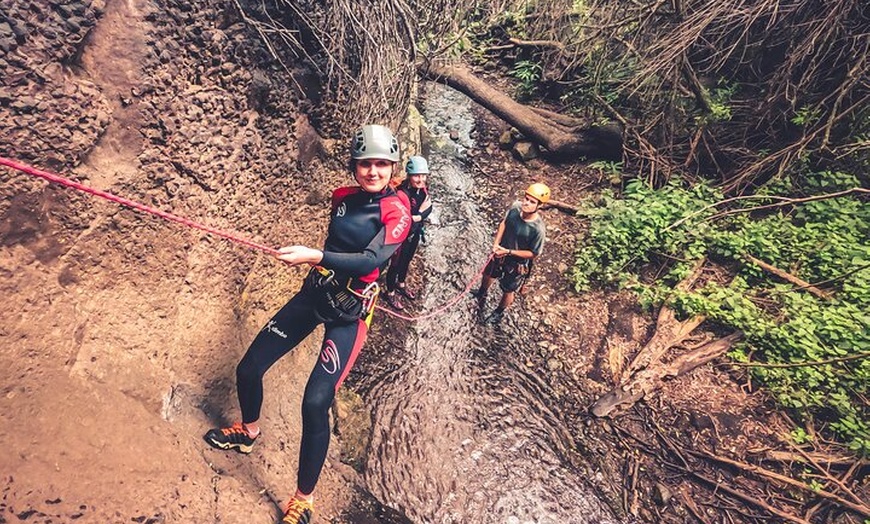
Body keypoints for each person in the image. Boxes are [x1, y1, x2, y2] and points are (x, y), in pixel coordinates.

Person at [203, 124, 411, 524]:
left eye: (382, 164)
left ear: (392, 167)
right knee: (249, 368)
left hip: (349, 313)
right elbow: (338, 244)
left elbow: (370, 261)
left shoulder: (397, 210)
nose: (373, 171)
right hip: (315, 294)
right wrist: (317, 260)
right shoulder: (342, 198)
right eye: (366, 163)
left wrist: (314, 255)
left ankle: (304, 498)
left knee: (315, 402)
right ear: (354, 165)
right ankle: (248, 432)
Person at [471, 183, 549, 324]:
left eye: (532, 202)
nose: (527, 203)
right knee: (488, 273)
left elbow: (534, 253)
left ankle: (499, 312)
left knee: (508, 288)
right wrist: (496, 244)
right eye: (526, 198)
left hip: (516, 262)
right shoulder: (515, 208)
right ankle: (482, 291)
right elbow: (504, 223)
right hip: (500, 251)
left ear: (539, 206)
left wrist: (509, 251)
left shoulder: (538, 230)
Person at [382, 155, 433, 310]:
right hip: (401, 236)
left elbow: (428, 207)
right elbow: (406, 221)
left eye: (423, 175)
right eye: (417, 175)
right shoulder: (402, 195)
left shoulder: (422, 189)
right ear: (410, 175)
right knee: (395, 264)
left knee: (407, 260)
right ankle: (389, 292)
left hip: (414, 234)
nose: (421, 179)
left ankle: (401, 283)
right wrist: (419, 215)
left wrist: (419, 216)